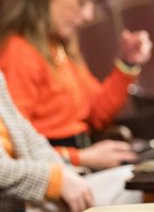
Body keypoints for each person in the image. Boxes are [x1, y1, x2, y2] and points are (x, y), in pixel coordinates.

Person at [0, 0, 152, 172]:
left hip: (83, 165)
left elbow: (97, 114)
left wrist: (127, 63)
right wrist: (80, 157)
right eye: (82, 1)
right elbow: (14, 149)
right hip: (59, 176)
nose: (89, 16)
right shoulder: (19, 53)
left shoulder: (60, 45)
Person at [0, 70, 93, 212]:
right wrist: (55, 179)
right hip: (20, 197)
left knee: (125, 182)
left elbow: (27, 134)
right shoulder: (20, 55)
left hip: (39, 182)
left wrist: (63, 173)